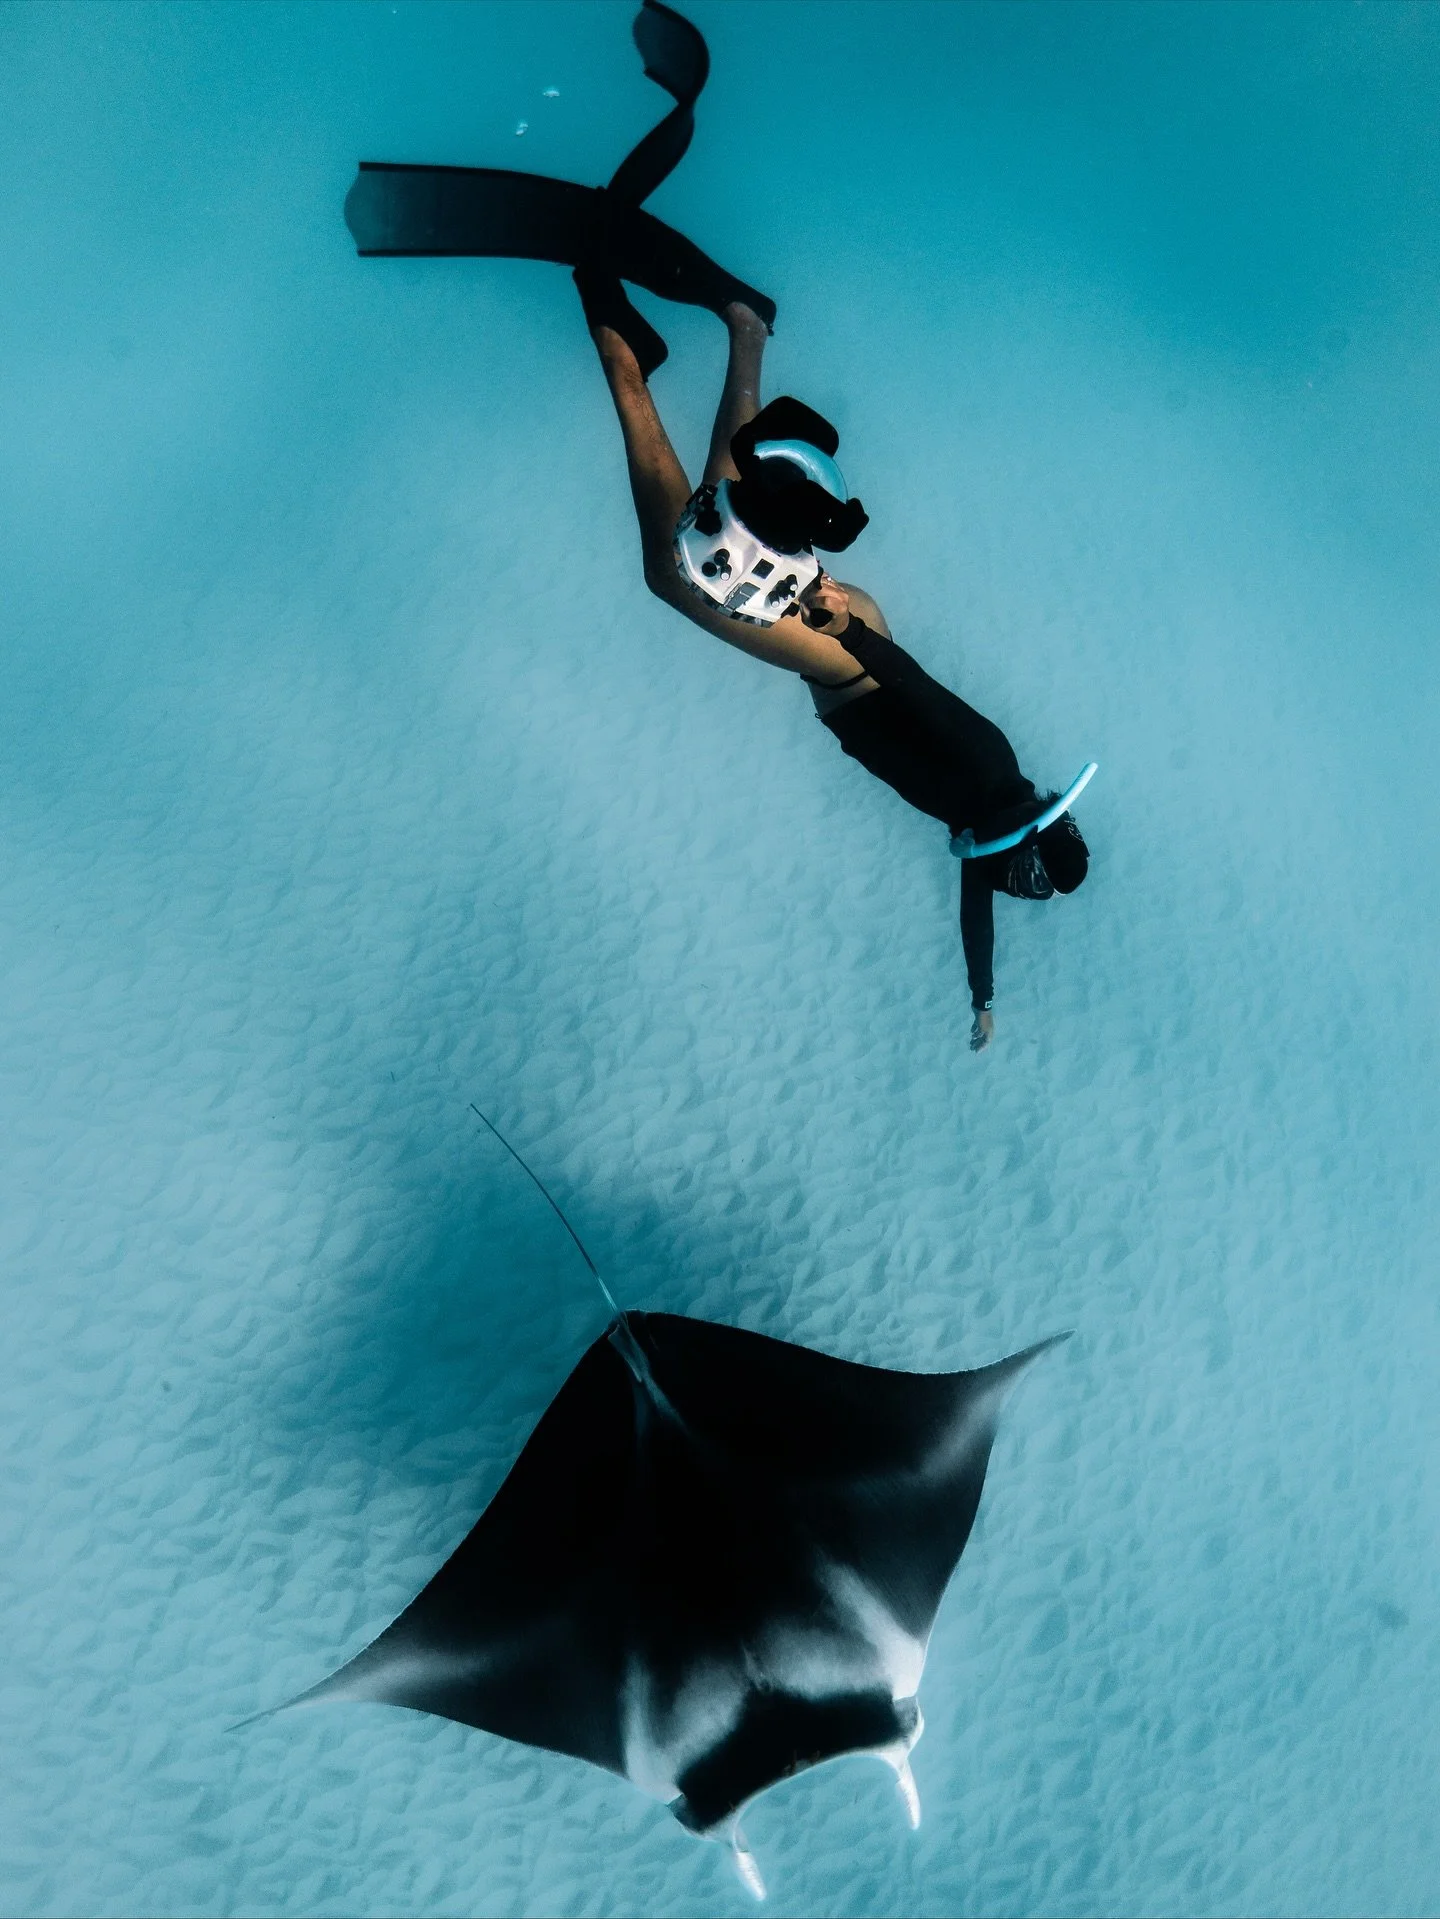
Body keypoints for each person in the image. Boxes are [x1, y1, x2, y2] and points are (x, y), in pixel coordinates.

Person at [584, 299, 1089, 1053]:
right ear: (1037, 841)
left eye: (1034, 892)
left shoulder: (982, 830)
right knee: (675, 569)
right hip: (853, 665)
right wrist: (843, 625)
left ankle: (746, 331)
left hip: (847, 664)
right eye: (1038, 881)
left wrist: (982, 998)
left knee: (731, 511)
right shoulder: (992, 767)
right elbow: (916, 686)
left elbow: (973, 912)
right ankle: (624, 362)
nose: (1026, 893)